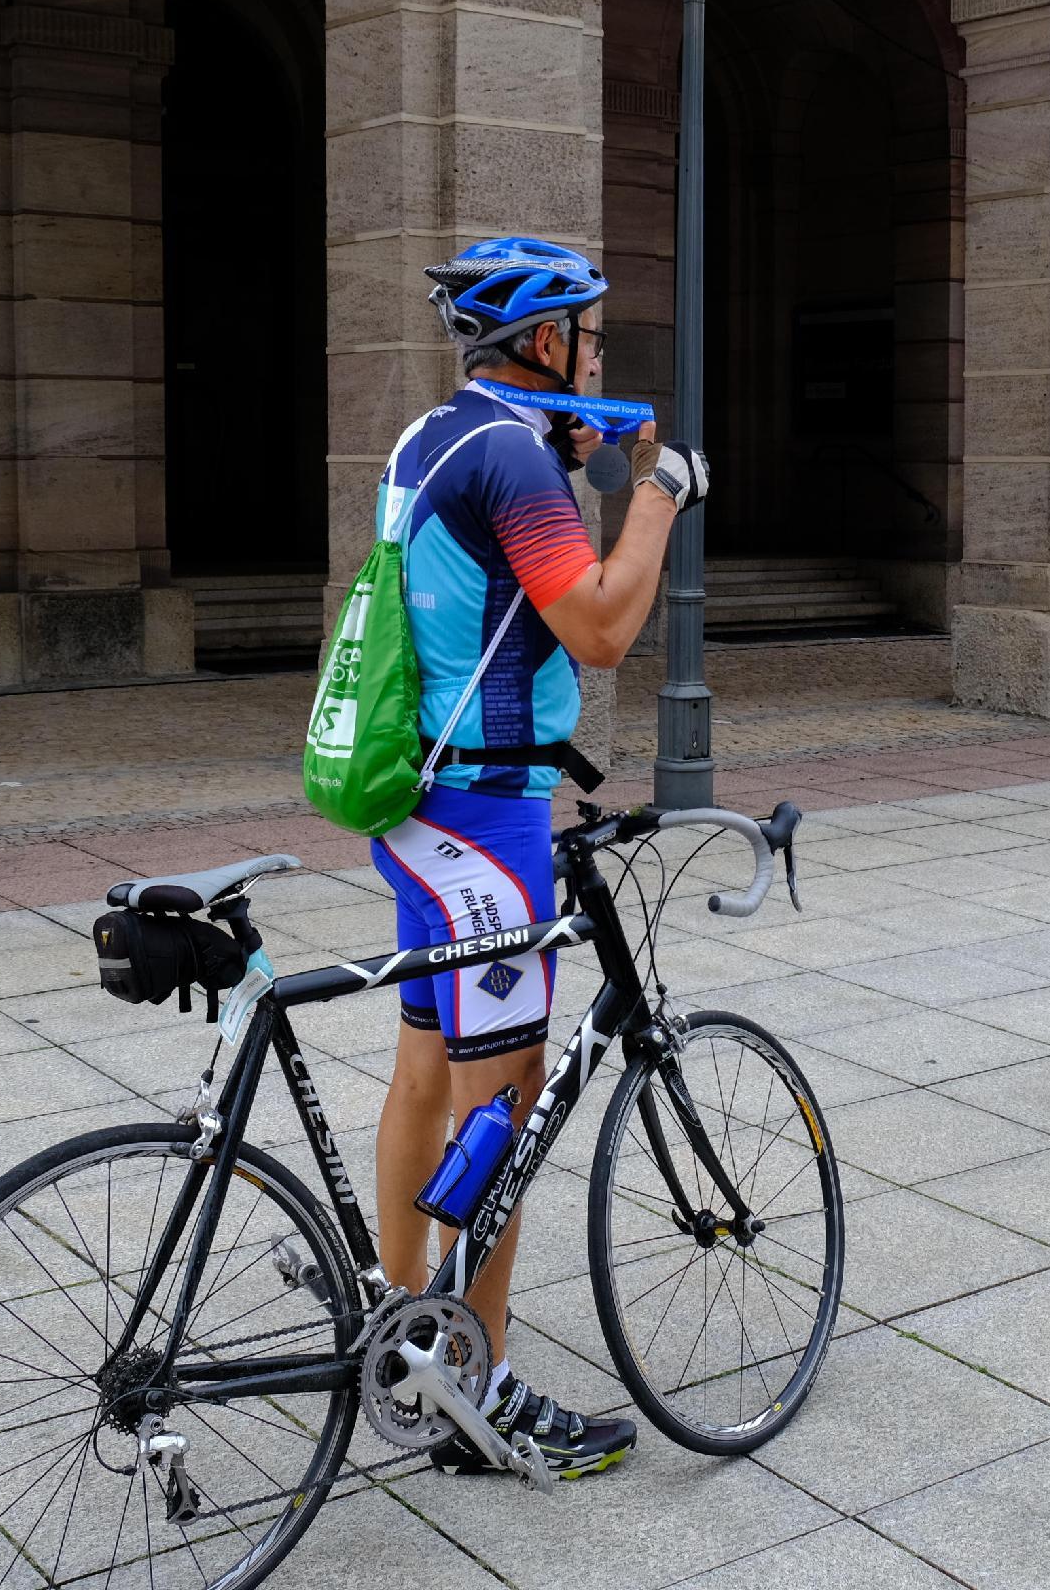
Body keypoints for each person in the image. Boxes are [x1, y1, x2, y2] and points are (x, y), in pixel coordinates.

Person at [368, 238, 708, 1478]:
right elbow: (605, 627)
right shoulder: (516, 457)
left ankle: (400, 1324)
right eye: (592, 333)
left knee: (423, 1067)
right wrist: (661, 486)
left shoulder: (434, 437)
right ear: (548, 340)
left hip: (414, 803)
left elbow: (475, 594)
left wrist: (579, 464)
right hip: (489, 817)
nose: (601, 353)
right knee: (497, 1104)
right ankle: (478, 1383)